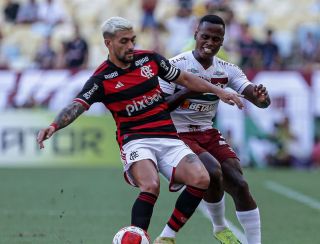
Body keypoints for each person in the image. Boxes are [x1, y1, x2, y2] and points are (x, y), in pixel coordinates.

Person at [36, 16, 244, 242]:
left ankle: (167, 237)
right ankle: (137, 236)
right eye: (124, 41)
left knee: (201, 178)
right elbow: (77, 105)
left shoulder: (150, 59)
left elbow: (186, 78)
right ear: (108, 43)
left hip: (168, 137)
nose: (131, 46)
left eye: (132, 40)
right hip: (136, 141)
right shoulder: (101, 78)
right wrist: (54, 125)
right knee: (151, 185)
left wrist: (220, 91)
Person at [158, 15, 271, 244]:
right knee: (212, 170)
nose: (210, 42)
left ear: (222, 41)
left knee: (239, 183)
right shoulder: (175, 66)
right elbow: (159, 108)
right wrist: (191, 88)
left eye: (216, 38)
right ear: (195, 35)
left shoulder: (227, 69)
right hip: (176, 132)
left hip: (206, 131)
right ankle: (220, 227)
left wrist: (261, 99)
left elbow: (252, 94)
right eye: (205, 37)